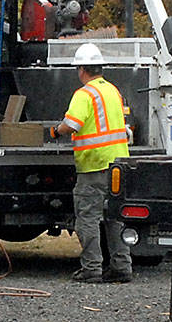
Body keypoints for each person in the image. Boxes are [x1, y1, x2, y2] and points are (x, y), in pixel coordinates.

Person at [49, 43, 132, 284]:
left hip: (94, 165)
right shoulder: (113, 91)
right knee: (115, 218)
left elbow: (71, 125)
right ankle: (122, 267)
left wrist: (55, 131)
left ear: (82, 69)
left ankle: (92, 268)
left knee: (87, 218)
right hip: (118, 165)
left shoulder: (84, 94)